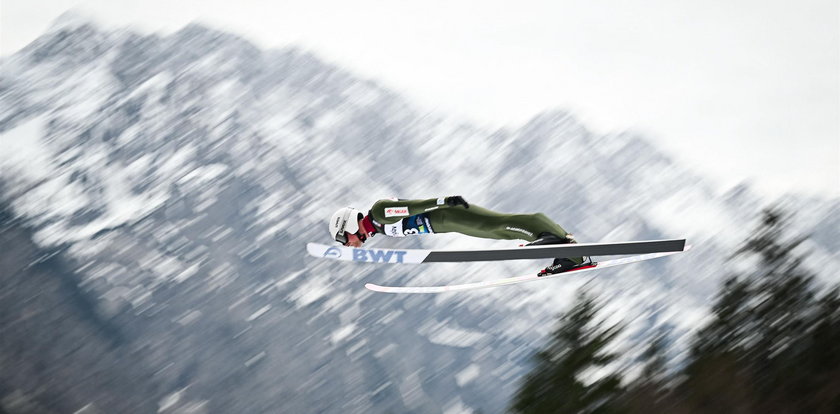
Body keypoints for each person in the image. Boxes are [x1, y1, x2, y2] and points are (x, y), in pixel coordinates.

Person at [328, 196, 594, 275]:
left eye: (344, 239)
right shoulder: (379, 225)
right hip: (448, 223)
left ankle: (556, 239)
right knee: (500, 231)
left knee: (498, 225)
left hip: (449, 215)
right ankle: (567, 249)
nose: (348, 245)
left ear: (348, 225)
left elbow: (413, 207)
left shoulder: (378, 213)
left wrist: (443, 200)